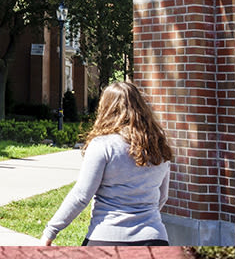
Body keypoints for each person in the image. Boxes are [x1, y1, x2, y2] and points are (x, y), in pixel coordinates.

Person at [41, 81, 173, 246]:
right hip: (155, 237)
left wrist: (51, 231)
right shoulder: (158, 145)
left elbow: (81, 196)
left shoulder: (103, 145)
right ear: (141, 107)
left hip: (107, 237)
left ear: (106, 108)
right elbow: (163, 196)